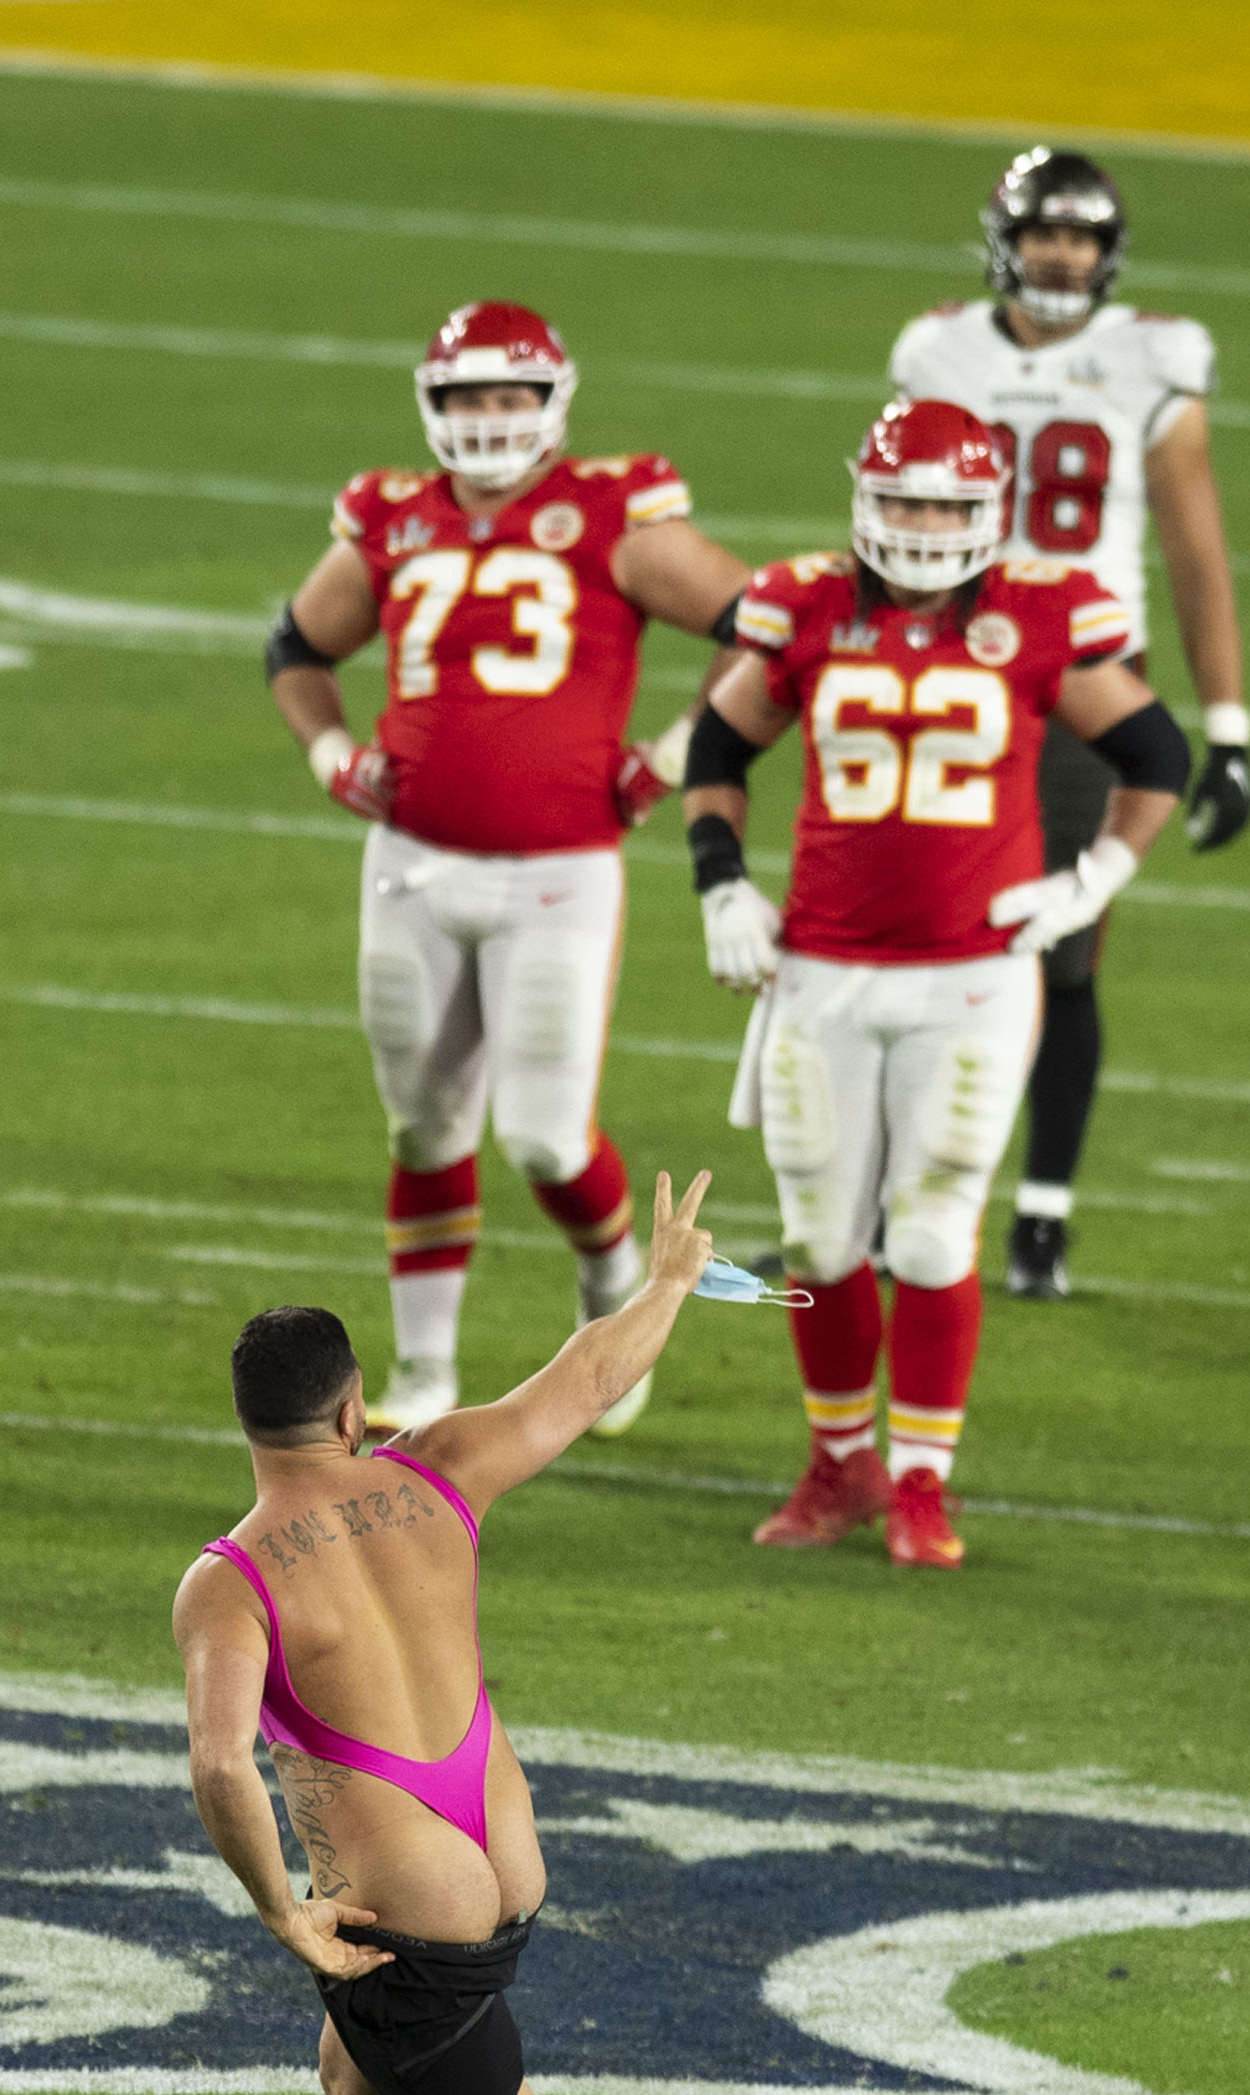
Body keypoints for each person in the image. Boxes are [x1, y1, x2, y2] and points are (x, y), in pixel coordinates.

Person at [170, 1197, 839, 2095]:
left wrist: (282, 1914)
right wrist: (670, 1281)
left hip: (403, 1910)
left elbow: (219, 1769)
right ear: (351, 1402)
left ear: (246, 1422)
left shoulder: (232, 1579)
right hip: (500, 1847)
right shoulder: (431, 1465)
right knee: (359, 2081)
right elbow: (585, 1378)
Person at [683, 401, 1188, 1569]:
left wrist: (1093, 876)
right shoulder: (806, 604)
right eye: (899, 500)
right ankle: (835, 1465)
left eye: (941, 505)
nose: (916, 526)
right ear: (864, 500)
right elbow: (718, 749)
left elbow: (1153, 753)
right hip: (818, 967)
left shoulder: (1035, 608)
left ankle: (918, 1481)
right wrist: (720, 882)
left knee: (929, 1233)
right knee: (816, 1239)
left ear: (984, 515)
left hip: (969, 976)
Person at [265, 302, 750, 1438]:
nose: (488, 420)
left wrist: (677, 753)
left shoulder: (610, 512)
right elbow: (296, 646)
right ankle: (423, 1372)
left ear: (551, 402)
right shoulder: (390, 518)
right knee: (422, 1125)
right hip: (411, 867)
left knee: (542, 1136)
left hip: (558, 870)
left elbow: (760, 626)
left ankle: (611, 1283)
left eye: (508, 397)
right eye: (466, 398)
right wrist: (331, 748)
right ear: (431, 406)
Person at [889, 147, 1250, 1299]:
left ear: (1107, 254)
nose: (1060, 254)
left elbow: (1194, 553)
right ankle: (885, 1209)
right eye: (1044, 232)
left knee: (1060, 946)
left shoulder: (1152, 358)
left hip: (1083, 686)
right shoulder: (935, 349)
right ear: (1006, 238)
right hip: (949, 676)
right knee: (913, 934)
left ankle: (1039, 1215)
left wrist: (1228, 725)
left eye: (1081, 238)